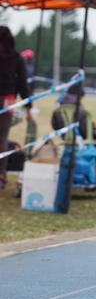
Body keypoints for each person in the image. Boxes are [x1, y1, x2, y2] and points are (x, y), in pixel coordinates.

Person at [0, 27, 32, 189]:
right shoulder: (16, 57)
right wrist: (29, 106)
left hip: (7, 97)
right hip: (8, 99)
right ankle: (1, 174)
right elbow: (22, 83)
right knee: (2, 138)